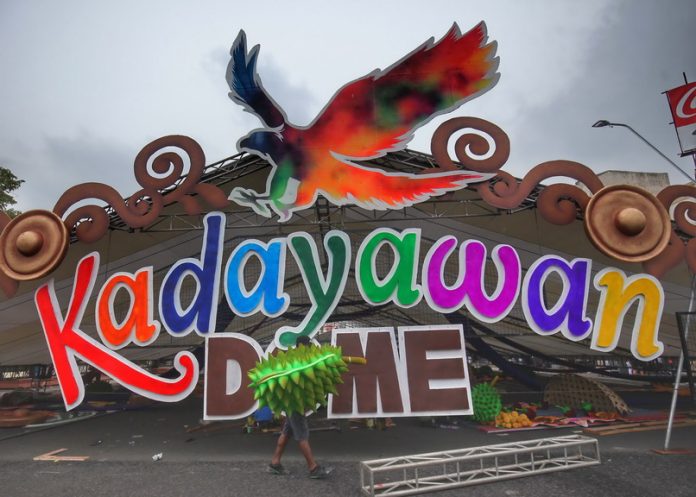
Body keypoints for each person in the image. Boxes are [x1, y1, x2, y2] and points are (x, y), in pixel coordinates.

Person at [268, 335, 331, 479]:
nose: (309, 348)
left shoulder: (293, 359)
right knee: (302, 435)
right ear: (301, 346)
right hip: (295, 404)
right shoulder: (299, 361)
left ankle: (275, 463)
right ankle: (313, 468)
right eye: (307, 345)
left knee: (287, 432)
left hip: (290, 403)